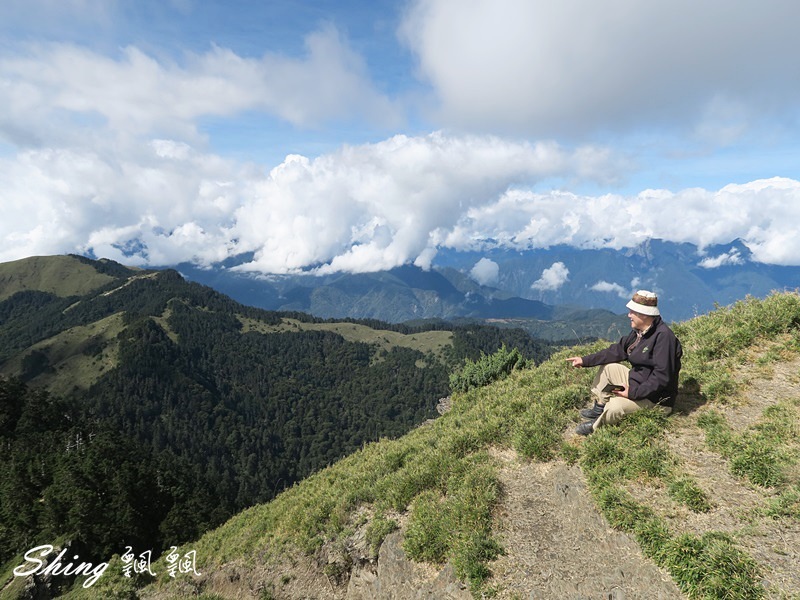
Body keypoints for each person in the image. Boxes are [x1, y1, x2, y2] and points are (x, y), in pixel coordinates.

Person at [566, 290, 682, 436]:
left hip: (656, 399)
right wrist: (584, 360)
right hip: (639, 385)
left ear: (644, 314)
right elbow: (615, 351)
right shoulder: (640, 332)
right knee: (609, 368)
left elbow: (661, 377)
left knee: (615, 406)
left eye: (632, 312)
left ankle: (596, 426)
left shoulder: (664, 338)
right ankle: (600, 407)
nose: (629, 315)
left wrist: (633, 393)